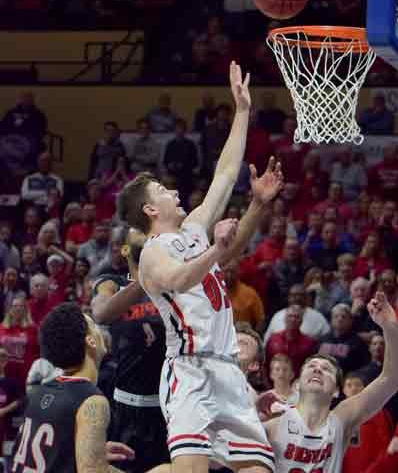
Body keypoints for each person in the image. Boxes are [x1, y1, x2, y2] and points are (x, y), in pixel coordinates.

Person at [117, 61, 282, 473]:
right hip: (189, 370)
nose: (173, 189)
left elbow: (225, 175)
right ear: (152, 209)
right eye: (162, 190)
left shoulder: (192, 229)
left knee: (261, 469)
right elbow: (178, 279)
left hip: (227, 370)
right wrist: (215, 251)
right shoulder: (155, 250)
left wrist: (242, 112)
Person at [10, 303, 170, 472]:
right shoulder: (91, 400)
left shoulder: (40, 392)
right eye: (93, 325)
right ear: (91, 341)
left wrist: (84, 451)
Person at [264, 291, 398, 472]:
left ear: (336, 391)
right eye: (312, 366)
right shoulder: (272, 426)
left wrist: (390, 326)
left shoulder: (341, 419)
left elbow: (394, 376)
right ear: (298, 384)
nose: (318, 369)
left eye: (327, 370)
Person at [91, 227, 169, 473]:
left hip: (164, 409)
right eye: (138, 230)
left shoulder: (171, 284)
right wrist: (142, 280)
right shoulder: (110, 283)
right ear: (124, 249)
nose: (146, 232)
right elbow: (101, 313)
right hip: (123, 408)